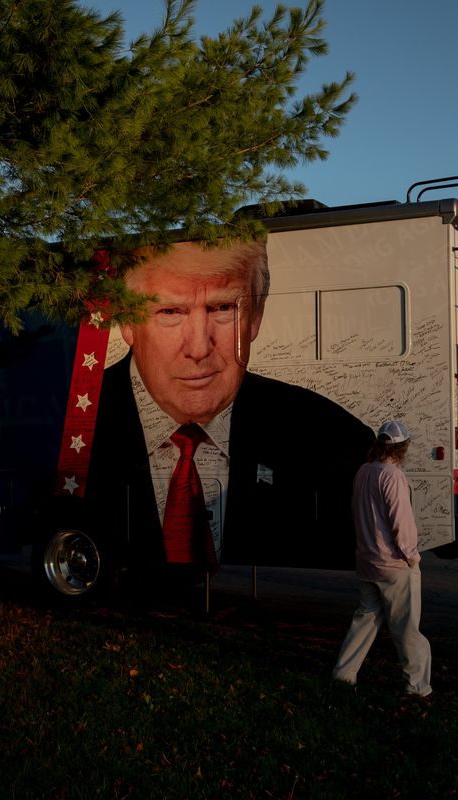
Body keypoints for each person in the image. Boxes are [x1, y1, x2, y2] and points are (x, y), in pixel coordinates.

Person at [87, 240, 375, 573]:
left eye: (223, 308)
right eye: (170, 311)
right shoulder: (74, 424)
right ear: (127, 323)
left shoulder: (337, 439)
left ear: (256, 318)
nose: (198, 348)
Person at [332, 420, 432, 696]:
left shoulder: (364, 471)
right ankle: (417, 685)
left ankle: (344, 673)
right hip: (393, 565)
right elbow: (400, 521)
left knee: (365, 620)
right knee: (406, 629)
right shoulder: (392, 476)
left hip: (367, 561)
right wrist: (411, 555)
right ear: (402, 447)